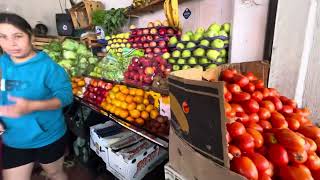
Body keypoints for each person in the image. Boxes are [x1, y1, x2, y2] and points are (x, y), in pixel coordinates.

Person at [0, 13, 73, 180]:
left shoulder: (48, 67)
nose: (11, 44)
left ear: (31, 36)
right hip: (13, 139)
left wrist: (33, 106)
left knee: (55, 173)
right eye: (3, 37)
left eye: (18, 36)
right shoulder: (2, 62)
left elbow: (66, 96)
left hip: (47, 136)